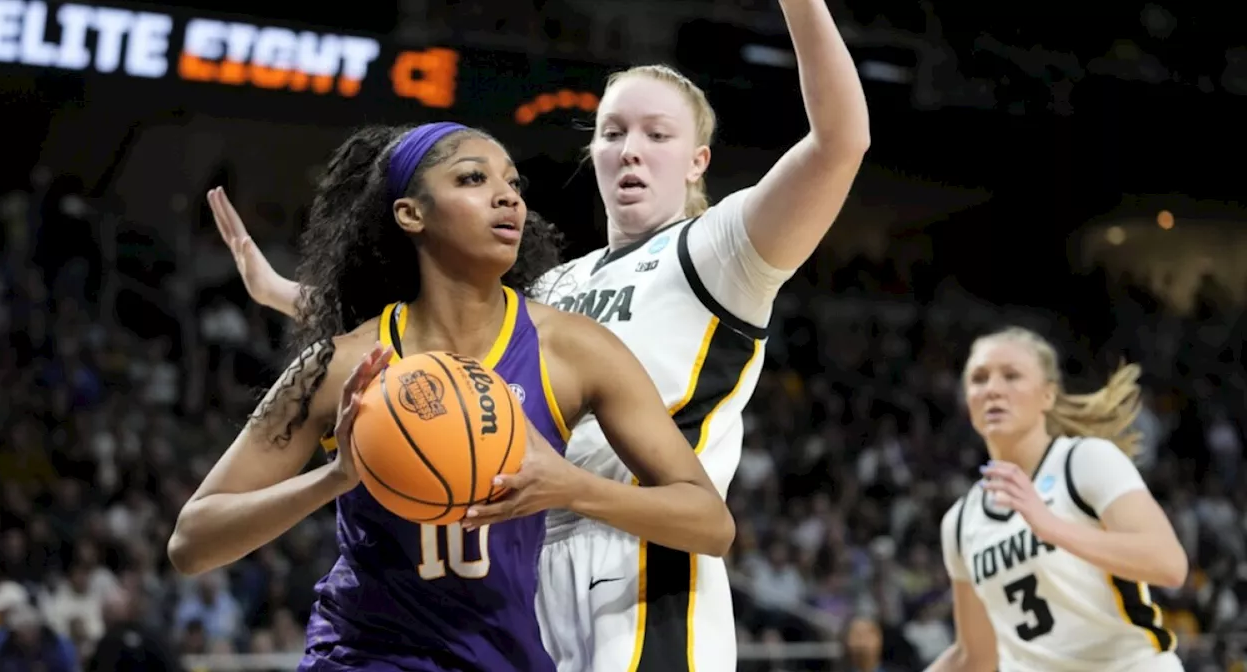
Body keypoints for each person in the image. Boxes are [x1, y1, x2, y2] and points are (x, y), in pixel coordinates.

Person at [207, 3, 867, 669]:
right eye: (611, 132)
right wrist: (286, 295)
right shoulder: (554, 288)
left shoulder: (721, 248)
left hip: (644, 555)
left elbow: (840, 142)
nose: (630, 147)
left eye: (657, 134)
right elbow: (435, 334)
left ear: (698, 161)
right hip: (525, 562)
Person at [167, 122, 734, 672]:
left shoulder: (572, 348)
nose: (507, 198)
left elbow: (710, 523)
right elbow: (192, 541)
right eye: (472, 179)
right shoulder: (338, 365)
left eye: (512, 184)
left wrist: (575, 487)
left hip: (505, 656)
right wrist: (335, 477)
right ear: (411, 214)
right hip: (362, 656)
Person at [926, 326, 1188, 672]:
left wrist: (1052, 527)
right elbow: (976, 656)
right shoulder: (960, 523)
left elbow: (1169, 565)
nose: (992, 390)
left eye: (1011, 376)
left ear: (1047, 395)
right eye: (979, 379)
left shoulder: (1085, 461)